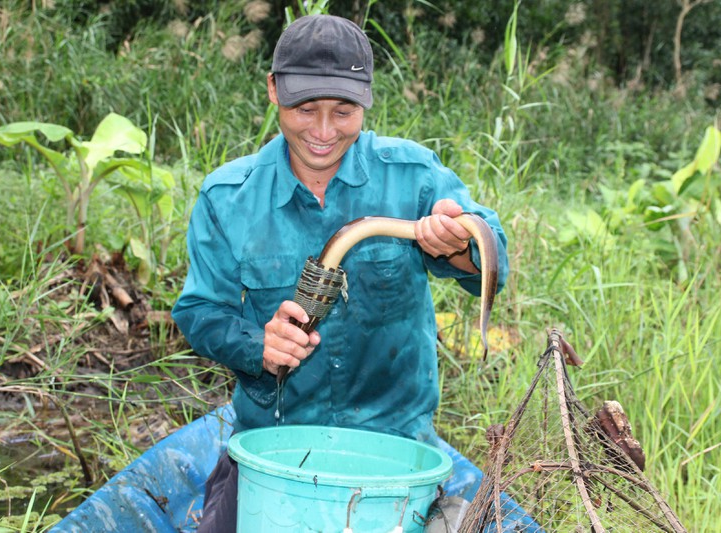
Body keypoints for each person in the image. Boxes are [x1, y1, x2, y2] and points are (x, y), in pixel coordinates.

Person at [171, 13, 510, 532]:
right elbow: (198, 310)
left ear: (367, 101)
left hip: (394, 451)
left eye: (344, 111)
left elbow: (489, 255)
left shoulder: (412, 176)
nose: (324, 132)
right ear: (274, 91)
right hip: (274, 449)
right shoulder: (227, 197)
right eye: (306, 109)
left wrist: (460, 245)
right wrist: (257, 343)